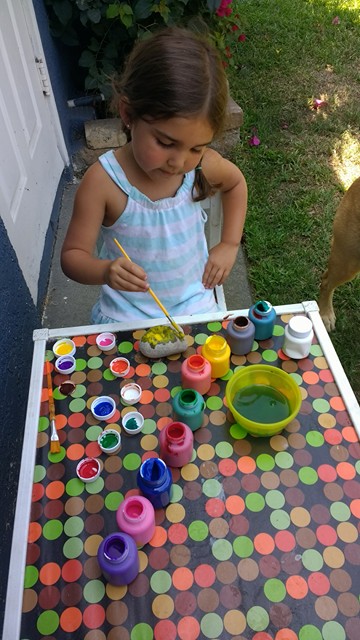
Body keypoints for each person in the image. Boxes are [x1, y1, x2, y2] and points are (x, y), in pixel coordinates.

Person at [61, 27, 247, 324]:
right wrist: (105, 271)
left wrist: (229, 244)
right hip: (126, 317)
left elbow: (236, 183)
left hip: (195, 308)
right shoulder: (103, 183)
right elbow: (72, 256)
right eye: (165, 142)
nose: (178, 161)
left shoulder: (202, 167)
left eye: (196, 147)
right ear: (128, 114)